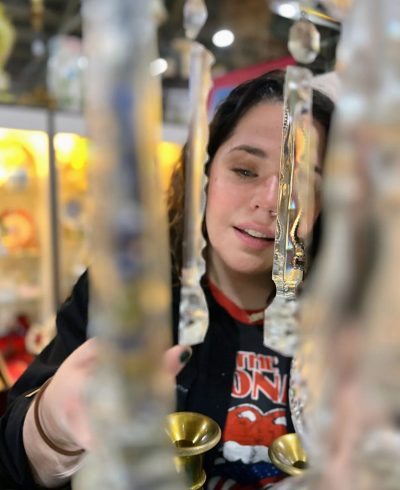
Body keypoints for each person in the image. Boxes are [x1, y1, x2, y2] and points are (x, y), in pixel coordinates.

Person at [0, 69, 335, 490]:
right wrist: (52, 427)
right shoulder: (128, 294)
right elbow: (12, 462)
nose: (272, 201)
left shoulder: (345, 317)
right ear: (204, 174)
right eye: (245, 170)